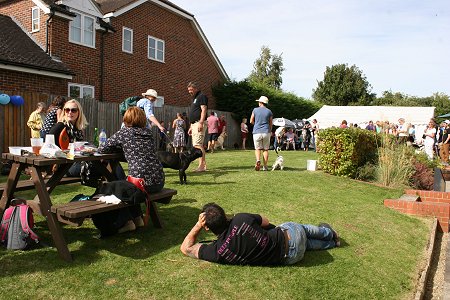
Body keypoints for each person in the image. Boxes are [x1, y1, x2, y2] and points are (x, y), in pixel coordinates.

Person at [180, 202, 340, 266]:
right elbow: (266, 221)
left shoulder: (218, 251)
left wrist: (197, 226)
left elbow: (186, 248)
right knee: (301, 230)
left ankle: (332, 244)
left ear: (206, 228)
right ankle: (328, 232)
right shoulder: (240, 218)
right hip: (289, 235)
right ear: (224, 215)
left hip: (291, 258)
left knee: (307, 245)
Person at [98, 107, 165, 233]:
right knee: (125, 184)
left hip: (141, 184)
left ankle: (127, 222)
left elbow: (103, 149)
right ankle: (137, 219)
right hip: (159, 181)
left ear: (126, 119)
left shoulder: (124, 132)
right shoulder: (148, 133)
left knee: (115, 187)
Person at [48, 99, 88, 176]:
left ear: (79, 112)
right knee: (99, 167)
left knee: (105, 163)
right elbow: (48, 146)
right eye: (67, 110)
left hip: (75, 161)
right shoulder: (60, 126)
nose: (70, 112)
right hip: (64, 165)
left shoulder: (77, 130)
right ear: (64, 111)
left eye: (73, 110)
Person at [187, 82, 208, 172]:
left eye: (191, 90)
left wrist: (200, 122)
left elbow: (204, 109)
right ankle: (202, 165)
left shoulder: (201, 96)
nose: (190, 92)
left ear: (195, 88)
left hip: (199, 123)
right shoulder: (195, 98)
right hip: (194, 124)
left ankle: (202, 166)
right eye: (189, 90)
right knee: (196, 145)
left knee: (198, 145)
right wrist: (191, 126)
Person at [250, 96, 273, 171]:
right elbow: (270, 123)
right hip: (266, 132)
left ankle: (257, 160)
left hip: (256, 132)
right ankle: (265, 166)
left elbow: (251, 121)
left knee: (257, 149)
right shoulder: (269, 111)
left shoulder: (255, 110)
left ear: (260, 102)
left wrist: (256, 124)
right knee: (265, 150)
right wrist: (270, 131)